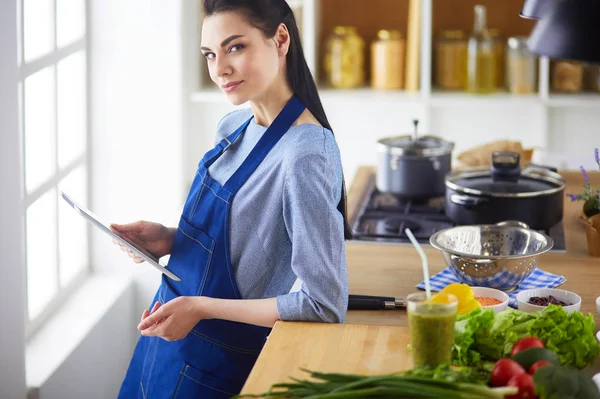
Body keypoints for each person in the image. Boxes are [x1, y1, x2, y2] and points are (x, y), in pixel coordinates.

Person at [113, 0, 351, 397]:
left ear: (280, 39)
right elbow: (244, 241)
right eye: (210, 54)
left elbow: (323, 304)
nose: (219, 69)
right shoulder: (235, 123)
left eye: (235, 47)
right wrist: (170, 239)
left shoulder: (304, 155)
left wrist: (202, 307)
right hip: (165, 343)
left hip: (215, 366)